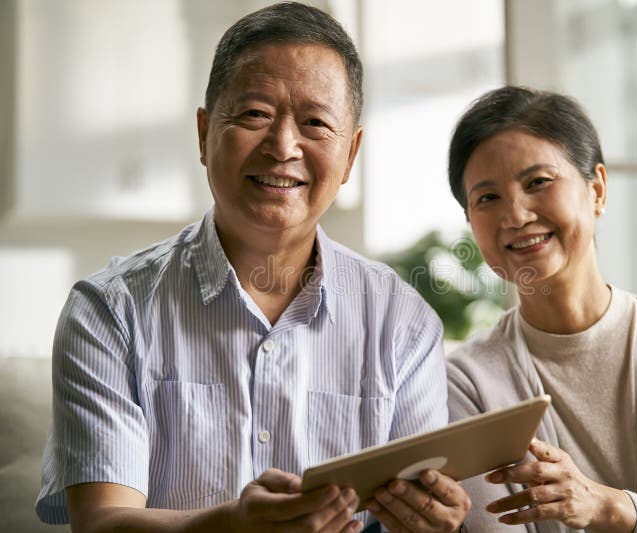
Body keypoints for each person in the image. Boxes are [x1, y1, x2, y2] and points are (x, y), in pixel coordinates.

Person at [35, 3, 469, 532]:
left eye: (315, 123)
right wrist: (233, 527)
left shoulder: (403, 323)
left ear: (351, 154)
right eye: (255, 115)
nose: (283, 146)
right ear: (203, 133)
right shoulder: (110, 309)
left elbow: (416, 508)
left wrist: (431, 522)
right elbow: (102, 523)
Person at [445, 87, 637, 533]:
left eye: (538, 182)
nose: (515, 216)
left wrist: (603, 506)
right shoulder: (466, 382)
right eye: (487, 198)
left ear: (597, 190)